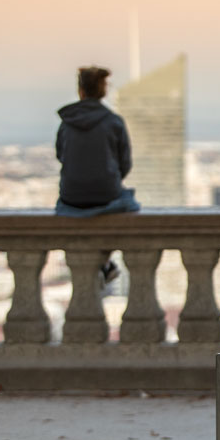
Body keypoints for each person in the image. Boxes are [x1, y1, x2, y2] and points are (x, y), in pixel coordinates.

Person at [55, 66, 140, 282]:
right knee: (126, 204)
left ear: (80, 91)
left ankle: (101, 263)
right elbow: (125, 164)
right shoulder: (114, 122)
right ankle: (104, 260)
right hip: (106, 192)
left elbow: (61, 155)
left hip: (71, 194)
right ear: (103, 92)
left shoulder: (67, 123)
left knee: (76, 209)